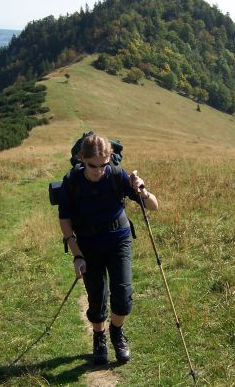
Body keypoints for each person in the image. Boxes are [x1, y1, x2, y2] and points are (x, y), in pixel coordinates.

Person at [58, 133, 158, 364]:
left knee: (122, 294)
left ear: (110, 158)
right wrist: (76, 254)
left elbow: (154, 206)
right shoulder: (72, 181)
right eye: (93, 165)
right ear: (82, 159)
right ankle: (99, 336)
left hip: (118, 240)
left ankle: (116, 332)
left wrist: (141, 189)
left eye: (104, 164)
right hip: (88, 243)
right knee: (96, 296)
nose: (99, 170)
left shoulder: (117, 175)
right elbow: (65, 219)